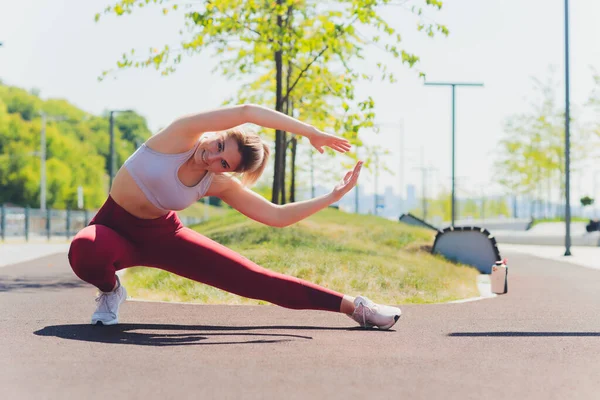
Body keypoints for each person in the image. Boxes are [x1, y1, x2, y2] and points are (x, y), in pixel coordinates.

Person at [68, 104, 401, 330]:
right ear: (219, 133)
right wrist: (310, 131)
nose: (212, 157)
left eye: (223, 163)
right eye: (219, 145)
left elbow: (277, 216)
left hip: (162, 237)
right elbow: (247, 111)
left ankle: (356, 308)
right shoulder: (182, 134)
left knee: (254, 279)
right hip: (113, 226)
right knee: (85, 250)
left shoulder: (216, 182)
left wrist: (333, 196)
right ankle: (111, 291)